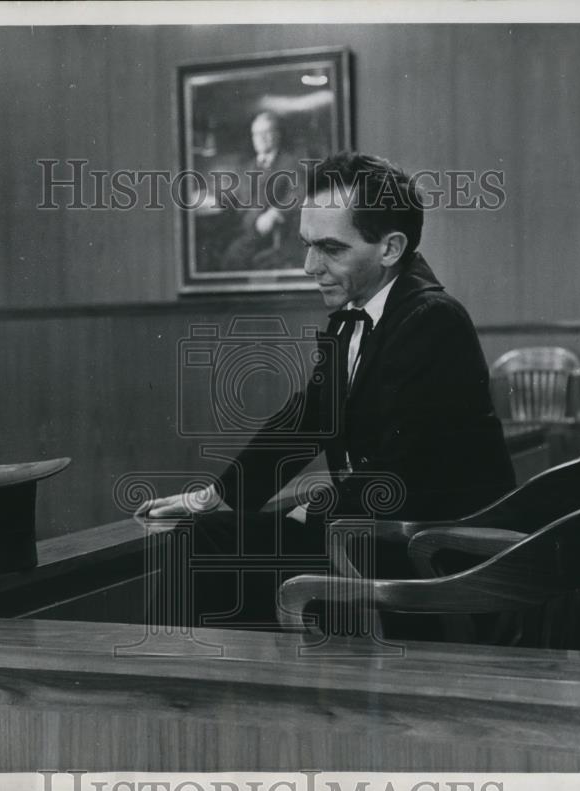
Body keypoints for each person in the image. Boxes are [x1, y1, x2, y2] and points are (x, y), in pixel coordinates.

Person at [139, 151, 515, 629]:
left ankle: (186, 685)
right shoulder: (358, 313)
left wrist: (309, 510)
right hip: (377, 530)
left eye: (331, 249)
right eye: (306, 244)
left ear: (390, 248)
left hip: (433, 547)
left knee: (213, 542)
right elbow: (309, 417)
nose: (308, 265)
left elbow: (406, 468)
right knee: (211, 530)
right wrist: (218, 494)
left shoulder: (432, 319)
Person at [218, 111, 305, 271]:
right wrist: (214, 198)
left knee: (231, 259)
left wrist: (275, 213)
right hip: (240, 228)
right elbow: (234, 196)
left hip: (267, 234)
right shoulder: (247, 167)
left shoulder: (289, 163)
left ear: (277, 135)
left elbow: (299, 194)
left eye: (266, 132)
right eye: (256, 134)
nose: (260, 138)